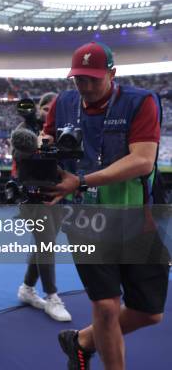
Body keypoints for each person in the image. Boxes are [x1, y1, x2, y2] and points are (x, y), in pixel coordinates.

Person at [42, 42, 169, 369]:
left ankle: (81, 340)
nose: (84, 86)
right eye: (78, 79)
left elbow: (142, 161)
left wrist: (82, 181)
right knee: (107, 307)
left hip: (136, 217)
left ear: (112, 74)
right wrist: (41, 162)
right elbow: (47, 143)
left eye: (93, 79)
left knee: (150, 312)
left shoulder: (140, 102)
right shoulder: (63, 103)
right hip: (85, 219)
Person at [15, 93, 72, 322]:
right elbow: (20, 158)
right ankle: (52, 296)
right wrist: (38, 147)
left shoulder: (64, 133)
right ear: (39, 109)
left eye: (53, 109)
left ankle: (27, 288)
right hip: (33, 197)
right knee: (46, 242)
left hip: (57, 195)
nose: (49, 112)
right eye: (46, 108)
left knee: (43, 244)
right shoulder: (25, 130)